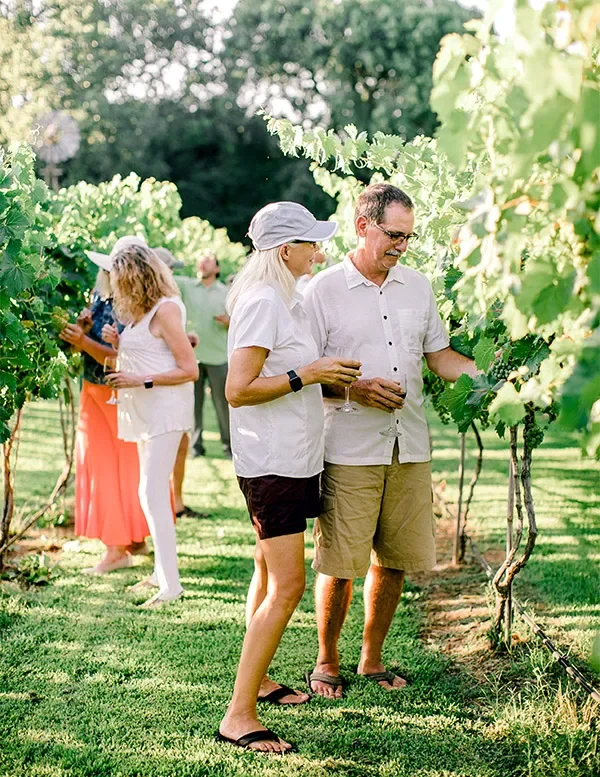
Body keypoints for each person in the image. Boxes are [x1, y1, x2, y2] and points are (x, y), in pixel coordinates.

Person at [302, 183, 478, 698]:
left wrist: (490, 375)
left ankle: (371, 660)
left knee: (395, 559)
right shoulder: (322, 291)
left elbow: (440, 358)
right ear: (363, 226)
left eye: (409, 237)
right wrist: (354, 387)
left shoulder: (418, 287)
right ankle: (326, 662)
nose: (402, 246)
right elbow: (305, 371)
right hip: (349, 446)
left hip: (410, 445)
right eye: (394, 235)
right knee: (340, 564)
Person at [217, 202, 360, 754]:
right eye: (311, 244)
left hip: (296, 457)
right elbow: (238, 388)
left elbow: (290, 378)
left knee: (265, 570)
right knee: (289, 585)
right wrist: (311, 372)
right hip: (271, 463)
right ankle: (239, 714)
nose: (319, 252)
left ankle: (263, 679)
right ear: (285, 251)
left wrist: (334, 381)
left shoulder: (288, 301)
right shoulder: (260, 303)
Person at [103, 244, 198, 608]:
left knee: (152, 492)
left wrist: (139, 380)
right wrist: (118, 343)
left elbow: (189, 369)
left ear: (134, 277)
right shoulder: (141, 314)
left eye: (118, 279)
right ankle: (161, 573)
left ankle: (171, 586)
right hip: (145, 411)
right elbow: (148, 353)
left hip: (165, 410)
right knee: (151, 493)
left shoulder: (166, 310)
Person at [59, 236, 151, 575]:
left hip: (115, 394)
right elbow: (82, 349)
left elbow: (122, 358)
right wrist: (81, 332)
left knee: (114, 470)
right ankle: (134, 538)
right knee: (116, 468)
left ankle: (117, 549)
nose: (102, 273)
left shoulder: (128, 307)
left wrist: (83, 341)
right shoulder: (101, 299)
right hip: (94, 391)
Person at [152, 246, 204, 519]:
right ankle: (166, 503)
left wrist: (186, 339)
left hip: (177, 381)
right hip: (166, 383)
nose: (173, 273)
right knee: (167, 447)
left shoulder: (170, 301)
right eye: (170, 268)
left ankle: (177, 500)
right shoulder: (161, 304)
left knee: (181, 443)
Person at [178, 253, 231, 458]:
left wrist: (229, 321)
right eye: (200, 259)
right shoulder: (187, 286)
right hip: (192, 357)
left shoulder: (226, 292)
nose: (202, 261)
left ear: (217, 268)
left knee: (223, 406)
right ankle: (196, 447)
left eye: (208, 259)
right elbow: (165, 276)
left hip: (219, 357)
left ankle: (229, 447)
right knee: (193, 405)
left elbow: (238, 320)